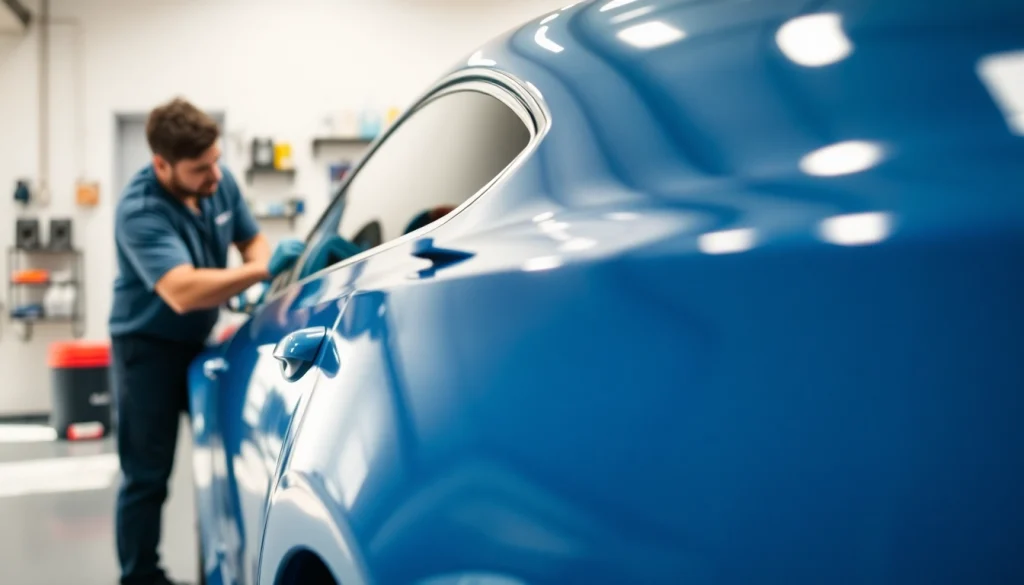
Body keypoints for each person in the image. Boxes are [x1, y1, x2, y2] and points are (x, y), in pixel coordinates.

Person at [108, 97, 274, 585]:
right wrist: (260, 271)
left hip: (201, 342)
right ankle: (140, 577)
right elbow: (181, 291)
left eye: (216, 161)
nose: (215, 176)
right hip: (147, 346)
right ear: (162, 164)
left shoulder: (217, 183)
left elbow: (253, 239)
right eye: (201, 168)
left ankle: (218, 566)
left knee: (215, 458)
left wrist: (258, 266)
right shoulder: (138, 210)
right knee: (147, 476)